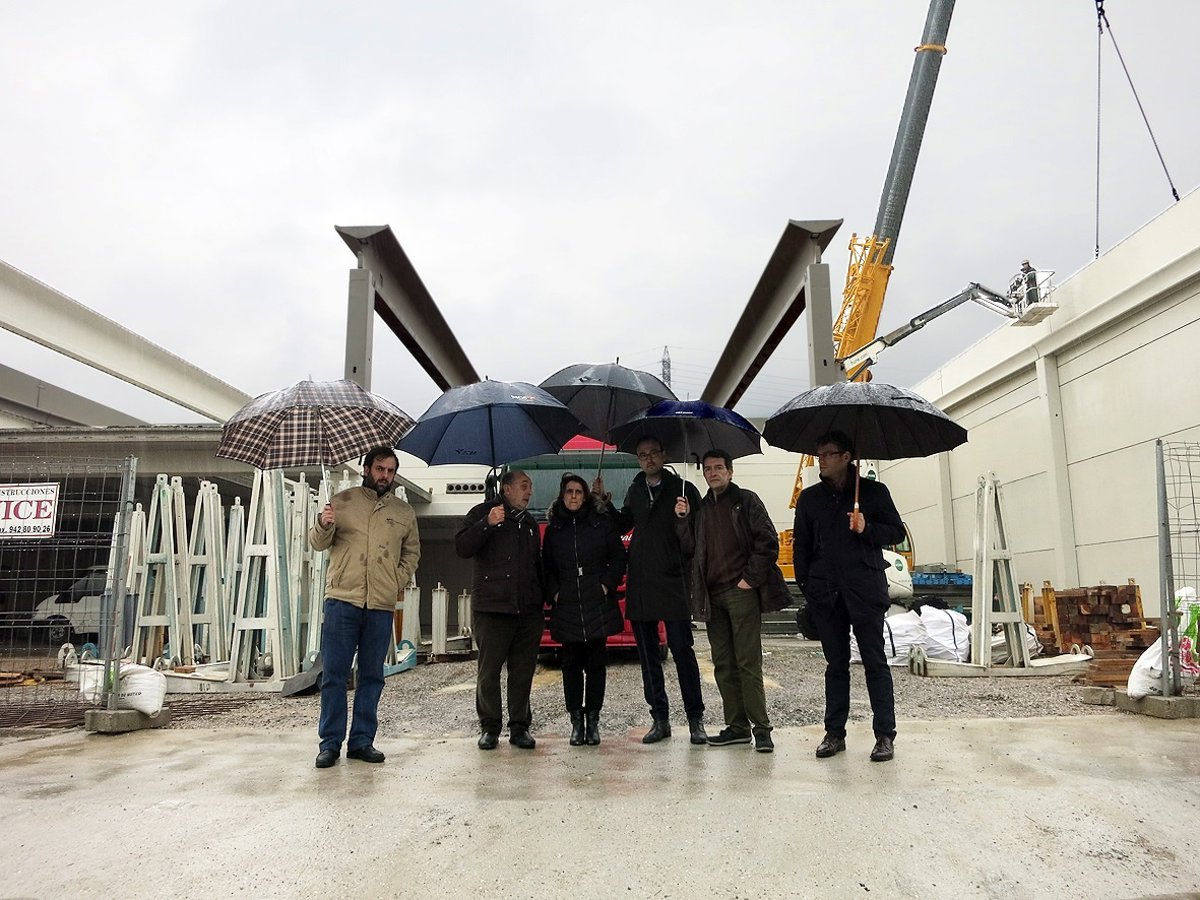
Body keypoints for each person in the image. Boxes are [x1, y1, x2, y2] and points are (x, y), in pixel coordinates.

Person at [792, 430, 906, 762]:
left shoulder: (873, 492)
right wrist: (807, 585)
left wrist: (867, 528)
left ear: (846, 457)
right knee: (836, 665)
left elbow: (896, 531)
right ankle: (834, 733)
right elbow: (801, 546)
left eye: (828, 454)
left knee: (875, 662)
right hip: (826, 594)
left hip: (865, 590)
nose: (821, 460)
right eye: (819, 454)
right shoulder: (810, 499)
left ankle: (884, 735)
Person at [309, 446, 420, 769]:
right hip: (342, 600)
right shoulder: (341, 502)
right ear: (366, 469)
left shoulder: (403, 512)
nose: (385, 476)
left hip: (380, 605)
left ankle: (361, 741)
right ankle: (330, 744)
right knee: (334, 676)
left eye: (390, 471)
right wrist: (323, 523)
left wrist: (395, 580)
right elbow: (317, 543)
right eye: (380, 469)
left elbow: (411, 553)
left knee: (372, 676)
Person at [593, 436, 706, 745]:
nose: (648, 459)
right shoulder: (636, 489)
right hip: (641, 582)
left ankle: (695, 719)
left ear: (664, 454)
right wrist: (604, 503)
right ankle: (660, 719)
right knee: (648, 657)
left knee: (682, 652)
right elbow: (622, 524)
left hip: (674, 581)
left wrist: (685, 517)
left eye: (654, 452)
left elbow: (697, 539)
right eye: (642, 455)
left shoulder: (684, 489)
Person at [676, 450, 790, 753]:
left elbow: (768, 541)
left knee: (748, 663)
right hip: (712, 597)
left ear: (730, 471)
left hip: (740, 593)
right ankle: (737, 727)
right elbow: (689, 549)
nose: (713, 473)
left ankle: (761, 729)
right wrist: (682, 520)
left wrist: (749, 579)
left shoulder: (746, 501)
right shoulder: (701, 509)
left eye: (718, 468)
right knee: (724, 665)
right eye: (708, 469)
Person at [456, 469, 544, 750]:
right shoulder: (482, 513)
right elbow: (462, 547)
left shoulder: (529, 523)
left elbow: (536, 565)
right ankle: (490, 727)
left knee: (522, 672)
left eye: (530, 487)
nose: (529, 492)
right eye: (524, 486)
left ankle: (520, 727)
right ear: (506, 489)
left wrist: (542, 600)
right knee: (489, 672)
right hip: (492, 609)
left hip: (527, 611)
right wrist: (487, 523)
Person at [542, 474, 627, 746]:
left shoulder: (601, 523)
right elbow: (546, 568)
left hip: (596, 603)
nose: (574, 496)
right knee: (570, 667)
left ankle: (593, 721)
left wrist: (605, 586)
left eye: (579, 491)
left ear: (585, 495)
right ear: (562, 495)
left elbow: (619, 558)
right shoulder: (554, 529)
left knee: (596, 666)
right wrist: (556, 593)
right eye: (569, 491)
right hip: (567, 605)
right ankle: (576, 723)